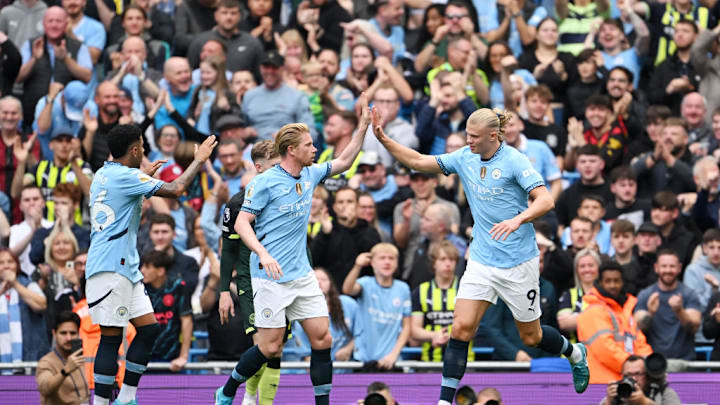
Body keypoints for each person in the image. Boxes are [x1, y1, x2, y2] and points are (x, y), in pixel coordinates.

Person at [368, 107, 590, 404]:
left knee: (532, 337)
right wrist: (384, 140)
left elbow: (546, 199)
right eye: (467, 135)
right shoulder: (465, 157)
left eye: (474, 137)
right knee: (460, 328)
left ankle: (575, 352)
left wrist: (518, 219)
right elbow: (419, 161)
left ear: (494, 136)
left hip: (517, 262)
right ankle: (445, 400)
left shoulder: (514, 160)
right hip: (482, 260)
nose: (468, 140)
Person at [215, 94, 371, 404]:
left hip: (302, 275)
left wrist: (363, 127)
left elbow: (344, 161)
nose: (315, 149)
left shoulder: (310, 174)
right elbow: (243, 223)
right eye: (310, 145)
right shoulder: (265, 182)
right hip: (269, 277)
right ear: (292, 150)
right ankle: (228, 389)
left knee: (322, 338)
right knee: (270, 347)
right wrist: (263, 253)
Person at [84, 124, 216, 405]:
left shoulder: (103, 174)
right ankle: (100, 402)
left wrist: (144, 179)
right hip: (109, 268)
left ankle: (127, 399)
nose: (144, 150)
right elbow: (178, 188)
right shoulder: (128, 176)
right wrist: (199, 159)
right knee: (111, 338)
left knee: (149, 329)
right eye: (142, 146)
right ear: (133, 150)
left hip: (125, 269)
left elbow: (123, 201)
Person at [213, 140, 281, 404]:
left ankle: (255, 398)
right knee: (264, 346)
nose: (281, 171)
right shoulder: (237, 203)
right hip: (250, 280)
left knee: (276, 348)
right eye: (275, 166)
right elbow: (228, 251)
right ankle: (247, 395)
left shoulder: (287, 197)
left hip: (282, 279)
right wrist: (223, 291)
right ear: (259, 167)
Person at [577, 261, 653, 384]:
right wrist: (635, 368)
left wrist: (649, 365)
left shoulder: (625, 311)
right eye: (608, 281)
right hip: (601, 384)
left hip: (628, 381)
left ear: (622, 282)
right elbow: (605, 349)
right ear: (600, 283)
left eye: (616, 281)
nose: (612, 285)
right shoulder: (593, 311)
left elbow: (640, 344)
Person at [342, 243, 411, 368]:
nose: (387, 262)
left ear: (396, 263)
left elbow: (406, 327)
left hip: (389, 361)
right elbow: (347, 289)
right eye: (382, 258)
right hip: (364, 359)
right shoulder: (366, 283)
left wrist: (394, 355)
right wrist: (357, 266)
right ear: (372, 263)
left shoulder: (403, 288)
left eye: (391, 258)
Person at [634, 250, 702, 360]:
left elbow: (694, 328)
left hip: (684, 361)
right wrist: (650, 313)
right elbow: (637, 329)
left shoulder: (689, 294)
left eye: (672, 266)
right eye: (664, 266)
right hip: (653, 362)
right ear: (656, 268)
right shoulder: (645, 295)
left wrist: (679, 311)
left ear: (679, 268)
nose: (668, 270)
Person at [311, 187, 381, 291]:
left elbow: (374, 260)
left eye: (350, 201)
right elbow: (313, 261)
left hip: (360, 291)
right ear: (334, 207)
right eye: (340, 202)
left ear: (357, 206)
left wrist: (350, 228)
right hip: (331, 293)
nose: (345, 206)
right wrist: (325, 234)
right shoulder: (327, 230)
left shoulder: (368, 231)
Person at [411, 241, 467, 362]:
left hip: (463, 362)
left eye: (452, 259)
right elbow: (414, 330)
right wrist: (434, 335)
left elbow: (473, 327)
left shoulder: (466, 289)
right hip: (429, 362)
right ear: (433, 263)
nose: (448, 264)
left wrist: (449, 336)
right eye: (443, 259)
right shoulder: (421, 291)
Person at [140, 250, 193, 369]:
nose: (142, 270)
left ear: (160, 271)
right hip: (142, 356)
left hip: (171, 358)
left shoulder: (178, 286)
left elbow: (186, 320)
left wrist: (183, 357)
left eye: (147, 267)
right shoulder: (138, 287)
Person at [0, 247, 49, 361]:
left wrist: (15, 284)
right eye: (1, 263)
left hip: (29, 357)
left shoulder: (28, 284)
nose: (6, 266)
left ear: (17, 265)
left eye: (10, 262)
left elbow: (41, 305)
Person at [36, 311, 90, 405]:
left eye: (73, 333)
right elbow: (45, 389)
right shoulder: (46, 362)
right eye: (63, 333)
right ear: (54, 333)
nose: (68, 338)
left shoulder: (80, 358)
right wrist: (65, 370)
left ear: (78, 334)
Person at [599, 355, 682, 405]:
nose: (633, 378)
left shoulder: (664, 392)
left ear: (648, 375)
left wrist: (645, 403)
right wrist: (608, 403)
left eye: (637, 374)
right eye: (628, 375)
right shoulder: (616, 394)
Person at [557, 248, 600, 343]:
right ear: (577, 270)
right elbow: (564, 323)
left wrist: (576, 317)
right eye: (582, 266)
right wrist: (597, 316)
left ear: (598, 268)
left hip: (601, 350)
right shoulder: (569, 294)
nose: (587, 269)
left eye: (591, 265)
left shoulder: (605, 294)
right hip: (575, 352)